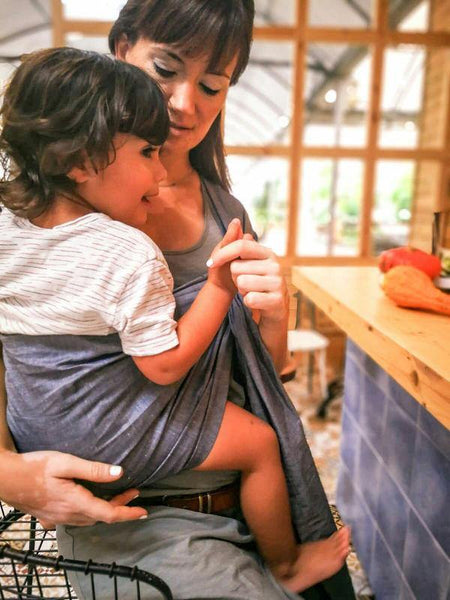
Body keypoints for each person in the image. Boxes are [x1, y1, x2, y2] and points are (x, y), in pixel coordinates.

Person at [0, 1, 356, 598]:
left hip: (244, 494)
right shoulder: (30, 221)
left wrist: (275, 317)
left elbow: (263, 375)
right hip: (139, 519)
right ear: (120, 52)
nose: (185, 104)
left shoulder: (225, 211)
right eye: (165, 70)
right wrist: (6, 471)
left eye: (212, 86)